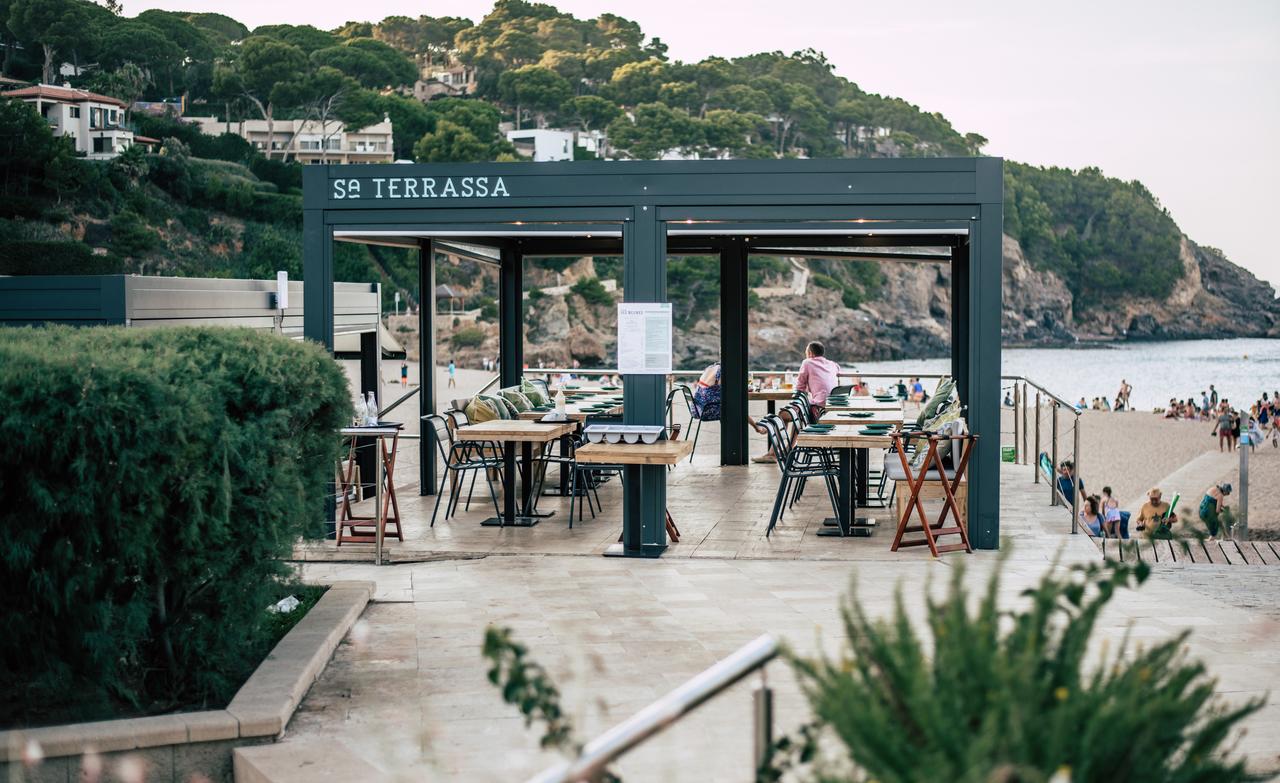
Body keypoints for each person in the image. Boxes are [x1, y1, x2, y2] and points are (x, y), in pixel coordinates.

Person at [795, 341, 840, 414]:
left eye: (806, 353)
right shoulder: (832, 364)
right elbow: (838, 369)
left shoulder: (807, 362)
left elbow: (800, 386)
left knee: (795, 410)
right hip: (835, 403)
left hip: (819, 405)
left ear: (810, 353)